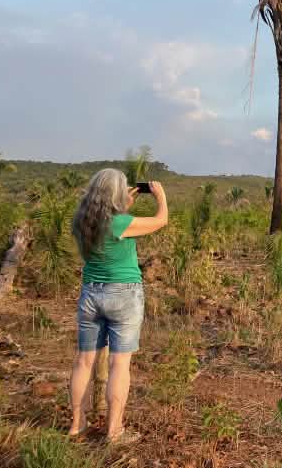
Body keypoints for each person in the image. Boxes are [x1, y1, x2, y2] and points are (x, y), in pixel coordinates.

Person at [68, 169, 168, 443]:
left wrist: (124, 208)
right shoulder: (120, 223)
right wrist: (160, 196)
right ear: (115, 194)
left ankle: (77, 423)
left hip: (90, 294)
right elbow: (161, 220)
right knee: (119, 364)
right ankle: (114, 431)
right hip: (123, 295)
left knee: (83, 361)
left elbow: (108, 226)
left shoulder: (81, 222)